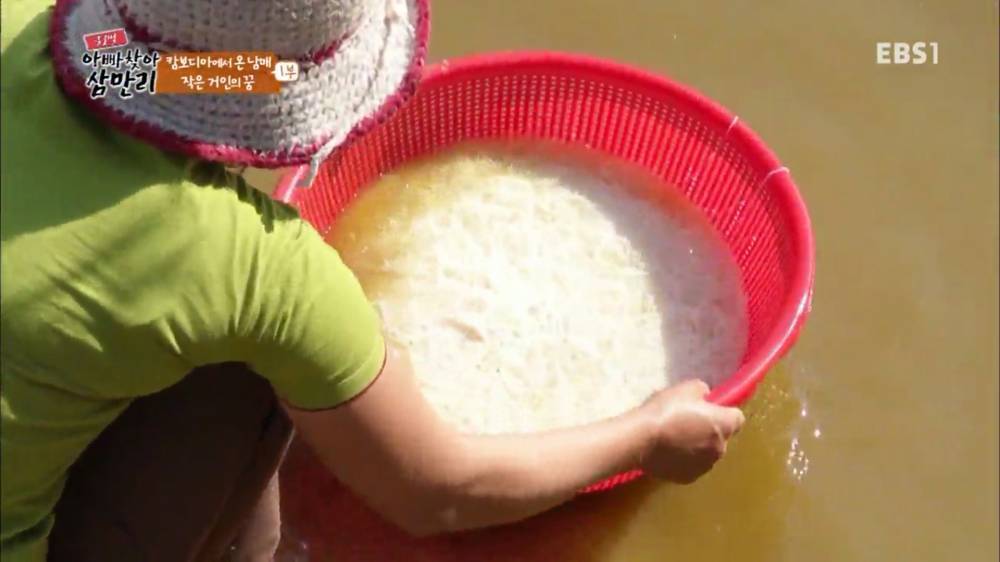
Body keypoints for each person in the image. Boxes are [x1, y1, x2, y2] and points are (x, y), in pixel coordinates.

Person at [0, 0, 746, 560]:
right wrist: (649, 435)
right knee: (252, 365)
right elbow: (439, 491)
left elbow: (156, 68)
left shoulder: (29, 23)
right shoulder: (245, 262)